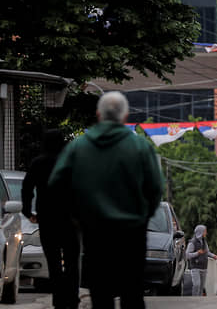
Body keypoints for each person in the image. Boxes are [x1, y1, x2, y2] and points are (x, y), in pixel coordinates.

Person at [49, 92, 163, 309]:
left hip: (94, 230)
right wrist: (144, 214)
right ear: (125, 115)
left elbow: (57, 184)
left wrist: (75, 215)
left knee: (101, 294)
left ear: (98, 114)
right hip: (132, 230)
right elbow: (155, 188)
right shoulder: (140, 147)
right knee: (132, 293)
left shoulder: (79, 147)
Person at [22, 129, 79, 309]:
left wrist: (27, 211)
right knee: (71, 261)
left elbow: (27, 188)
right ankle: (72, 297)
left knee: (53, 261)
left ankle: (59, 299)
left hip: (47, 218)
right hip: (70, 218)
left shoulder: (38, 163)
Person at [186, 225, 217, 296]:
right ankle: (194, 299)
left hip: (204, 267)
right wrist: (197, 253)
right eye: (205, 231)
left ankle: (200, 301)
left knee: (201, 287)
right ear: (200, 232)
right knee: (196, 285)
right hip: (195, 267)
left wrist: (213, 256)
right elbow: (187, 255)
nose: (206, 233)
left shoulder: (204, 242)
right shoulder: (192, 242)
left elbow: (207, 252)